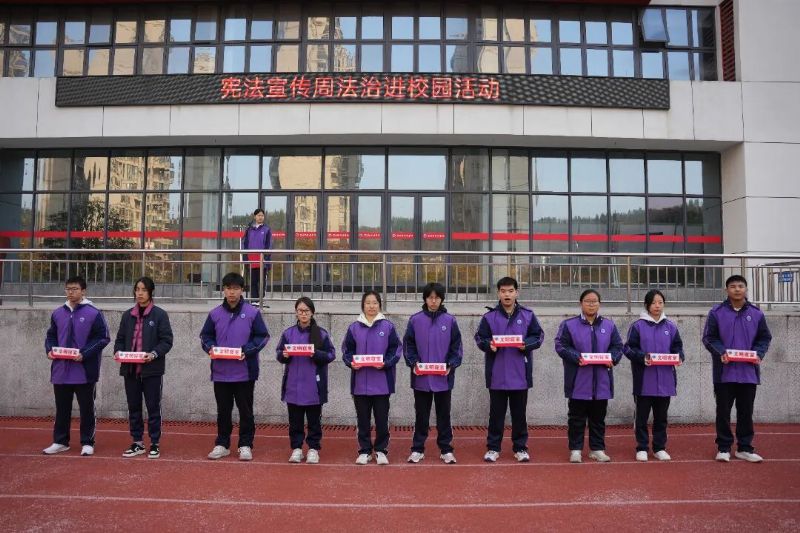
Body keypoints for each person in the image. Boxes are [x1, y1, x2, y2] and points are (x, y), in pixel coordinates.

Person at [702, 274, 772, 463]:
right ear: (726, 290)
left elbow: (764, 338)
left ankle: (745, 448)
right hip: (724, 373)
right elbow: (709, 337)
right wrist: (721, 352)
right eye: (733, 286)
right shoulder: (716, 312)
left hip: (748, 372)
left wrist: (759, 353)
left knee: (746, 412)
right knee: (723, 412)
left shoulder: (756, 313)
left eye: (740, 286)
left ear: (746, 289)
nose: (737, 289)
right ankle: (724, 448)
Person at [200, 272, 269, 461]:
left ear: (242, 290)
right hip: (221, 371)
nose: (232, 292)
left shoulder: (252, 313)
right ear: (223, 290)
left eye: (236, 288)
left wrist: (247, 350)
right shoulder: (214, 314)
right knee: (223, 411)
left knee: (245, 411)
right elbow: (205, 336)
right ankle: (222, 444)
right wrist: (210, 348)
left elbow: (262, 336)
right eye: (228, 288)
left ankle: (245, 444)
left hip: (244, 372)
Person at [474, 277, 544, 463]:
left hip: (520, 374)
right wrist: (489, 345)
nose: (507, 294)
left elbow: (538, 336)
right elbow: (480, 338)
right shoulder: (489, 317)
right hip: (497, 375)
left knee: (519, 415)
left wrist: (526, 344)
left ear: (516, 293)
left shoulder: (528, 315)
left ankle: (520, 447)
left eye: (510, 291)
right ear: (498, 293)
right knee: (496, 415)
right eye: (503, 291)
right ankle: (493, 448)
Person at [43, 276, 110, 456]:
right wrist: (49, 350)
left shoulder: (94, 313)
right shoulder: (58, 313)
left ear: (83, 291)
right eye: (68, 289)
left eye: (75, 289)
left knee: (86, 409)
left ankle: (87, 442)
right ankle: (60, 441)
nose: (71, 292)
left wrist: (84, 353)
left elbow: (103, 337)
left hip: (84, 371)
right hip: (61, 370)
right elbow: (51, 336)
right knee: (62, 408)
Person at [554, 289, 623, 463]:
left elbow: (618, 346)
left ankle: (597, 449)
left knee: (598, 418)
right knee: (576, 418)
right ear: (581, 303)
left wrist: (613, 358)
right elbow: (561, 346)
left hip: (601, 381)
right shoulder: (569, 325)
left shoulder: (609, 325)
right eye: (587, 301)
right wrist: (577, 357)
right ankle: (575, 449)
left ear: (599, 304)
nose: (591, 304)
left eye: (594, 301)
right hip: (578, 381)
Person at [113, 277, 174, 459]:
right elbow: (120, 339)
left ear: (151, 292)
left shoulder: (159, 315)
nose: (139, 293)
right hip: (130, 370)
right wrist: (118, 352)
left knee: (153, 407)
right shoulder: (127, 315)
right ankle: (137, 442)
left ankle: (154, 443)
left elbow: (167, 341)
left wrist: (154, 354)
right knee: (134, 407)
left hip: (152, 370)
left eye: (144, 290)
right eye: (137, 289)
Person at [403, 282, 463, 464]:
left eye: (437, 298)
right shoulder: (415, 320)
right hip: (421, 378)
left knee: (444, 415)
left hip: (443, 378)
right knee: (421, 415)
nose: (433, 301)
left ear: (442, 299)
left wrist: (451, 364)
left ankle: (446, 449)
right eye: (430, 297)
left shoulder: (450, 321)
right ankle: (417, 449)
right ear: (425, 299)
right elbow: (408, 345)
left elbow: (456, 346)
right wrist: (413, 363)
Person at [623, 289, 684, 462]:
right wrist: (643, 357)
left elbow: (678, 347)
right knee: (641, 417)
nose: (657, 306)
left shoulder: (671, 326)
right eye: (654, 303)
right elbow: (628, 348)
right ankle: (642, 447)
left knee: (661, 417)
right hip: (644, 380)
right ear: (647, 305)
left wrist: (679, 357)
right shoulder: (637, 326)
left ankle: (659, 447)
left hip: (666, 380)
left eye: (660, 302)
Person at [341, 291, 401, 465]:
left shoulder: (388, 327)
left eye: (374, 302)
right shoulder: (354, 327)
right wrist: (350, 362)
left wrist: (386, 363)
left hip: (382, 383)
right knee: (363, 419)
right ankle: (365, 451)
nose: (371, 306)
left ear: (379, 305)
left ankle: (381, 450)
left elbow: (396, 349)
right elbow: (347, 350)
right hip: (360, 383)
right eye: (368, 303)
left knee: (382, 419)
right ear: (363, 305)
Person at [276, 297, 336, 464]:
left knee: (314, 421)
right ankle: (296, 448)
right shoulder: (288, 333)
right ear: (296, 312)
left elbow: (331, 355)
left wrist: (316, 354)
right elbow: (279, 353)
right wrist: (283, 355)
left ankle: (313, 449)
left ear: (312, 313)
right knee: (295, 421)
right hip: (293, 385)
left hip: (313, 386)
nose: (303, 314)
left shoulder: (321, 333)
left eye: (306, 311)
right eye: (300, 311)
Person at [241, 208, 272, 300]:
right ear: (255, 217)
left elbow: (269, 245)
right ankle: (254, 300)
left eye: (262, 215)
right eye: (258, 215)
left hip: (262, 260)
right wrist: (245, 258)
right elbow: (245, 244)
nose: (260, 217)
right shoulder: (249, 229)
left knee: (262, 281)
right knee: (253, 281)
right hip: (251, 260)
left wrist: (266, 258)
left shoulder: (267, 229)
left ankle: (261, 299)